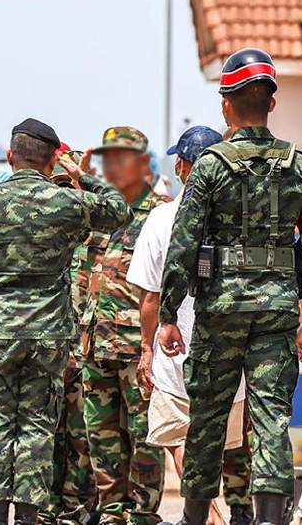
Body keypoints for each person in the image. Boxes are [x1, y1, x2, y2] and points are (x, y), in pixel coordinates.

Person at [157, 48, 302, 525]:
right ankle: (272, 519)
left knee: (208, 421)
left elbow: (183, 243)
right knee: (272, 419)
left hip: (218, 310)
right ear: (271, 104)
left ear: (225, 104)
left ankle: (195, 518)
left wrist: (168, 314)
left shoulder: (211, 166)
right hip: (276, 310)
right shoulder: (301, 165)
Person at [0, 118, 131, 525]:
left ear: (10, 156)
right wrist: (82, 176)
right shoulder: (67, 203)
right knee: (36, 426)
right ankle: (29, 517)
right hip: (49, 334)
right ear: (52, 161)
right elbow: (120, 211)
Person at [127, 126, 254, 525]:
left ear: (182, 166)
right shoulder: (241, 218)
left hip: (173, 349)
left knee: (181, 437)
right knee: (218, 443)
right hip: (230, 349)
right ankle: (218, 513)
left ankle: (209, 516)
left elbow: (149, 297)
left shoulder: (162, 219)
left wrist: (147, 350)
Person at [75, 126, 166, 525]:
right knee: (102, 437)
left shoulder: (162, 213)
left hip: (138, 346)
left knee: (144, 437)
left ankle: (142, 514)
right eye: (105, 158)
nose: (110, 166)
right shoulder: (97, 212)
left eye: (120, 157)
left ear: (143, 163)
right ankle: (112, 513)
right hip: (95, 345)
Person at [44, 150, 99, 525]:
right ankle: (48, 510)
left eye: (73, 187)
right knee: (49, 436)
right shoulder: (46, 236)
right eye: (60, 188)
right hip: (50, 353)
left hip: (87, 354)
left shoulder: (103, 236)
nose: (67, 195)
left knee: (83, 440)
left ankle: (77, 510)